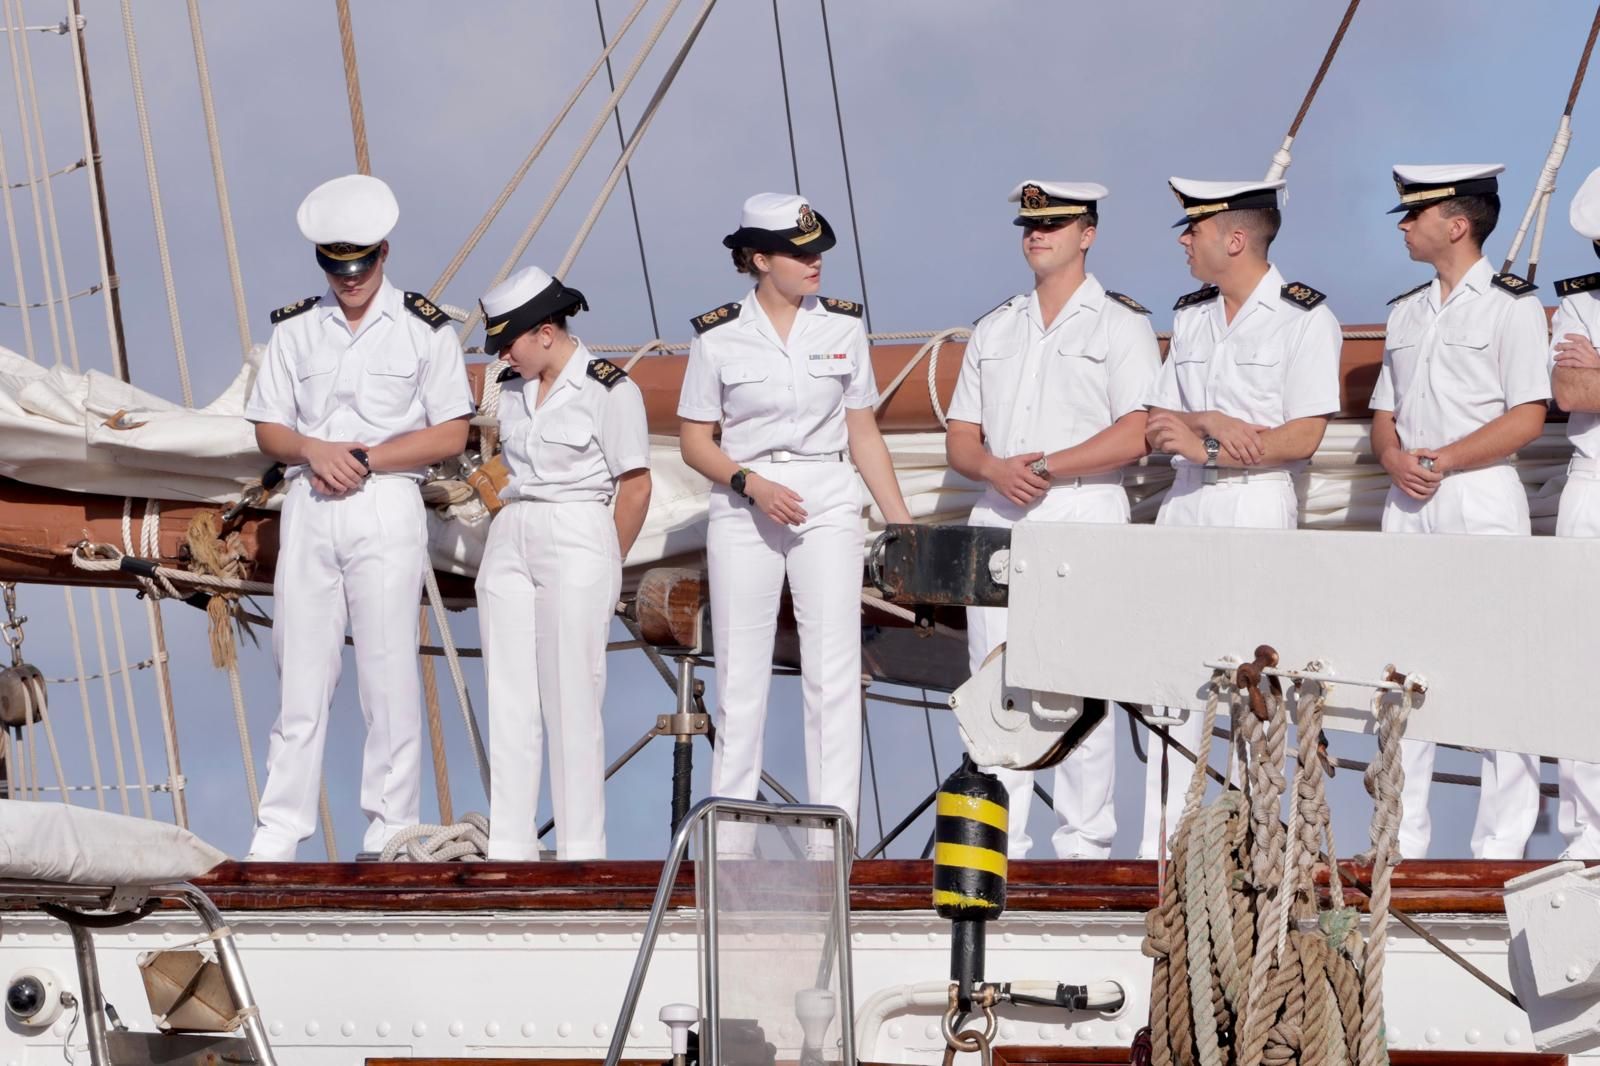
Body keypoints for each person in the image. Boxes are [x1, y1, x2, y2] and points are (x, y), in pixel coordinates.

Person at [244, 174, 473, 860]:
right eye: (334, 265)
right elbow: (267, 427)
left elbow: (451, 432)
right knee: (301, 675)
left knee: (388, 669)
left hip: (385, 501)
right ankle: (279, 829)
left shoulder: (425, 329)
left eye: (361, 264)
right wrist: (314, 448)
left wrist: (368, 458)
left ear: (384, 254)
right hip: (310, 501)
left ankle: (389, 823)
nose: (348, 278)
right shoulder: (293, 329)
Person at [677, 192, 913, 856]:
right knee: (741, 675)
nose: (815, 262)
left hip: (828, 493)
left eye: (817, 250)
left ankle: (831, 842)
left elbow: (862, 429)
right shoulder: (717, 334)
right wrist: (750, 484)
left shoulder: (842, 326)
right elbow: (696, 440)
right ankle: (731, 841)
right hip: (746, 497)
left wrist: (902, 524)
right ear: (759, 259)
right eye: (798, 252)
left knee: (834, 670)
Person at [944, 180, 1159, 859]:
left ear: (1086, 234)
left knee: (1080, 683)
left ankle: (1084, 848)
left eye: (1055, 224)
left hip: (1084, 511)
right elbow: (961, 439)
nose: (1037, 234)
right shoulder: (995, 327)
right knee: (994, 682)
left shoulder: (1121, 325)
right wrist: (994, 470)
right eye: (1030, 225)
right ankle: (996, 848)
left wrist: (1048, 468)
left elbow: (1137, 433)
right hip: (1000, 510)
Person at [1140, 176, 1342, 859]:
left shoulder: (1305, 319)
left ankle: (1253, 847)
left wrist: (1212, 445)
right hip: (1186, 503)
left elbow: (1303, 434)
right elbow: (1159, 421)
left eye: (1192, 231)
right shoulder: (1192, 315)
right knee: (1170, 684)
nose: (1182, 242)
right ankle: (1160, 849)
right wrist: (1210, 425)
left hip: (1255, 504)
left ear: (1234, 239)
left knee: (1254, 689)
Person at [1370, 164, 1549, 859]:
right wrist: (1391, 458)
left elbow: (1529, 415)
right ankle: (1403, 843)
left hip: (1479, 498)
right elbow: (1385, 412)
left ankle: (1500, 848)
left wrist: (1443, 461)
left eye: (1415, 213)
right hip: (1407, 502)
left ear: (1458, 223)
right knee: (1402, 672)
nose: (1404, 225)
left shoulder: (1511, 307)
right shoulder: (1405, 311)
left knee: (1498, 668)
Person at [474, 266, 652, 861]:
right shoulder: (513, 387)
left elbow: (635, 487)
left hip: (579, 529)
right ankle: (510, 847)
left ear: (545, 332)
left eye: (509, 342)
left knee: (572, 697)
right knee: (509, 694)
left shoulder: (609, 389)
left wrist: (606, 564)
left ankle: (581, 851)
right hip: (512, 532)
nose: (502, 353)